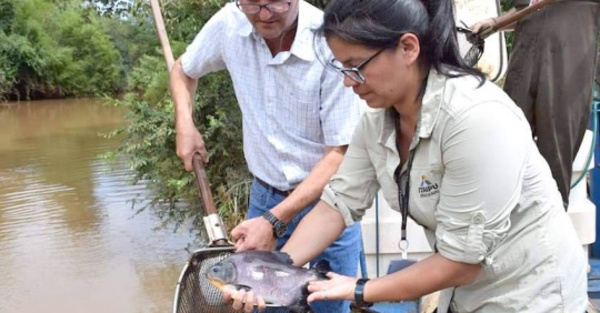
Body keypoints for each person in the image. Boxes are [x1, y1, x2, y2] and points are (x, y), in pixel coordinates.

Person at [223, 0, 589, 312]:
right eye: (340, 68)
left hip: (534, 294)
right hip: (467, 293)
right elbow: (336, 205)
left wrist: (358, 288)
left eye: (357, 66)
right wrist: (278, 269)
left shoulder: (475, 120)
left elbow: (462, 262)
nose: (348, 82)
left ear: (409, 48)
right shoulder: (378, 121)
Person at [169, 0, 362, 312]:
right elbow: (183, 69)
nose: (264, 15)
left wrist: (275, 221)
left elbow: (339, 154)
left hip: (330, 202)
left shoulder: (330, 41)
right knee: (256, 301)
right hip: (265, 195)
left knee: (330, 301)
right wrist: (185, 123)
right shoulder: (229, 24)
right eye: (252, 4)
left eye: (276, 3)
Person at [472, 0, 600, 209]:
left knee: (555, 162)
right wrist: (494, 22)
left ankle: (552, 226)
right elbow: (525, 7)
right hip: (524, 62)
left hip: (567, 68)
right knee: (506, 147)